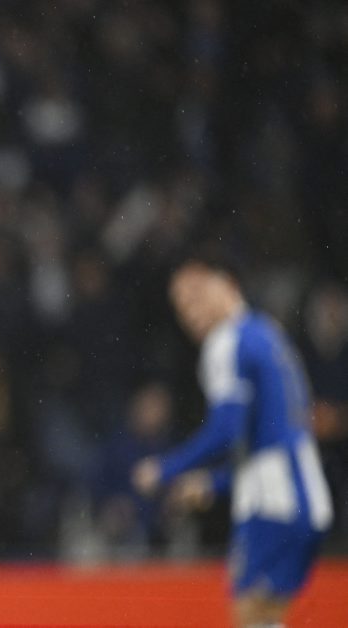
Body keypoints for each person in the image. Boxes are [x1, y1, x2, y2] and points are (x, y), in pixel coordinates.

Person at [132, 254, 332, 628]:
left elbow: (227, 431)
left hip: (272, 502)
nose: (190, 312)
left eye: (195, 294)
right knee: (268, 617)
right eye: (181, 306)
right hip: (308, 497)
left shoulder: (227, 341)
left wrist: (164, 469)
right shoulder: (269, 335)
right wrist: (213, 482)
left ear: (226, 284)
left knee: (250, 614)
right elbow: (270, 438)